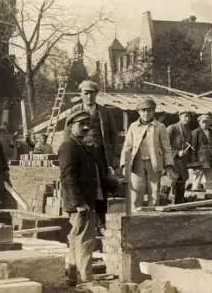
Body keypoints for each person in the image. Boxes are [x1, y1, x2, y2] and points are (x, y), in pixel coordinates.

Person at [58, 110, 116, 289]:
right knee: (85, 239)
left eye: (87, 124)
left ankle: (72, 275)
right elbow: (67, 177)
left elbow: (94, 176)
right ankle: (86, 278)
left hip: (87, 201)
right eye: (80, 124)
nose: (85, 127)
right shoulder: (69, 146)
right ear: (70, 126)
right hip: (81, 203)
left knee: (76, 238)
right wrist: (78, 203)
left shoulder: (83, 146)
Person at [120, 98, 175, 211]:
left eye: (149, 111)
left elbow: (167, 148)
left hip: (154, 163)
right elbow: (127, 147)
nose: (146, 113)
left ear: (153, 112)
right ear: (139, 112)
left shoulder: (160, 127)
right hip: (137, 163)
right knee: (136, 190)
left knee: (154, 192)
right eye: (143, 110)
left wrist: (168, 165)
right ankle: (135, 217)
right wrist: (125, 165)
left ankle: (152, 218)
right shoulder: (133, 126)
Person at [166, 111, 193, 204]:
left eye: (189, 117)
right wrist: (177, 153)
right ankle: (168, 202)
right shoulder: (172, 128)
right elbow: (164, 146)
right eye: (185, 116)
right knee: (171, 184)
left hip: (183, 163)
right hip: (171, 162)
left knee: (182, 183)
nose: (188, 119)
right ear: (179, 116)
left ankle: (179, 203)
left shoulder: (189, 131)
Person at [190, 113, 212, 191]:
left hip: (209, 161)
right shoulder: (195, 132)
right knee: (196, 182)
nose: (205, 123)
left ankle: (210, 196)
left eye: (207, 122)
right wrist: (193, 164)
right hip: (199, 162)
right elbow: (193, 149)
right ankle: (194, 198)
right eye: (203, 122)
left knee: (211, 181)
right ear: (199, 122)